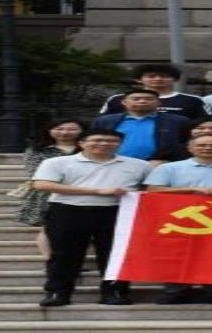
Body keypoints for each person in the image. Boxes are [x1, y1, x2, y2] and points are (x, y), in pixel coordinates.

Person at [31, 129, 150, 307]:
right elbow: (41, 184)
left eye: (111, 141)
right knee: (64, 254)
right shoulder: (57, 162)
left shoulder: (139, 165)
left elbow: (151, 188)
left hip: (118, 212)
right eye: (97, 140)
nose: (104, 143)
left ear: (120, 144)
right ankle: (57, 292)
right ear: (82, 143)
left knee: (115, 254)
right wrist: (97, 191)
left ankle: (115, 292)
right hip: (68, 211)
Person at [141, 134, 212, 305]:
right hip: (180, 221)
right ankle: (176, 291)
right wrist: (193, 190)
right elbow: (153, 190)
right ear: (190, 148)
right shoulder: (169, 168)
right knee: (178, 255)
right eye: (202, 145)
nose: (208, 148)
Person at [15, 119, 83, 259]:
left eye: (71, 129)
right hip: (47, 193)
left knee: (77, 228)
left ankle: (69, 260)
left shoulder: (88, 148)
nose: (65, 132)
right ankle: (51, 260)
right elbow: (36, 171)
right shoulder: (37, 149)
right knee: (48, 228)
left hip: (83, 192)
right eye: (59, 129)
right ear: (49, 131)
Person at [91, 89, 191, 164]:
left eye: (149, 99)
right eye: (136, 99)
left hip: (158, 165)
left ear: (158, 102)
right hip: (113, 164)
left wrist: (169, 161)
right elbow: (91, 141)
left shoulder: (177, 121)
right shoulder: (105, 121)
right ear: (124, 102)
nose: (142, 101)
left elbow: (187, 144)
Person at [99, 64, 210, 119]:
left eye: (164, 76)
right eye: (151, 76)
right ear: (138, 79)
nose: (158, 79)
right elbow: (103, 122)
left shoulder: (193, 100)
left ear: (175, 79)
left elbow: (203, 124)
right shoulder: (117, 99)